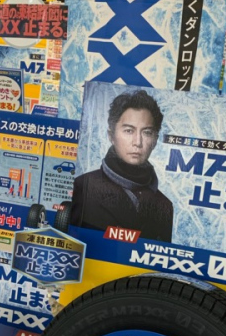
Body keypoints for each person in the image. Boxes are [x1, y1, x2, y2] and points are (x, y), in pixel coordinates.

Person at [71, 89, 173, 241]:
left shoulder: (164, 206)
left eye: (147, 132)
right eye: (128, 131)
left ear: (155, 140)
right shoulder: (83, 187)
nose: (137, 142)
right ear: (111, 135)